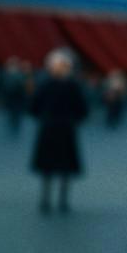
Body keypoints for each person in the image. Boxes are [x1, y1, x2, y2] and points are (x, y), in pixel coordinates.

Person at [29, 48, 90, 214]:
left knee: (56, 168)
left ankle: (53, 201)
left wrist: (45, 118)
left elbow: (34, 107)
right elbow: (82, 110)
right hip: (63, 128)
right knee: (59, 167)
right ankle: (52, 201)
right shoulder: (71, 85)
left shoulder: (47, 85)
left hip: (52, 128)